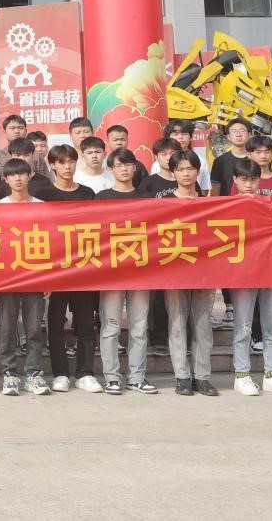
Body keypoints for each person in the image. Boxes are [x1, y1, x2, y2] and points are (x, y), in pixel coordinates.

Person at [229, 158, 272, 396]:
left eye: (253, 179)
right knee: (243, 326)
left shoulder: (270, 203)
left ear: (259, 180)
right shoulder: (224, 207)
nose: (249, 184)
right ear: (235, 180)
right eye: (244, 179)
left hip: (270, 269)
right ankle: (242, 375)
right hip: (242, 274)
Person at [37, 145, 100, 393]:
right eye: (61, 162)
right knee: (55, 323)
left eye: (71, 161)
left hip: (83, 267)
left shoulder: (87, 193)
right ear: (52, 165)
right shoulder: (44, 195)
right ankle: (60, 373)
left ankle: (85, 373)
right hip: (55, 268)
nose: (67, 166)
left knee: (85, 323)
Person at [95, 148, 157, 394]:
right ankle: (111, 377)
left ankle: (137, 377)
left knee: (139, 328)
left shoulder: (147, 198)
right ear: (111, 169)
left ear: (135, 167)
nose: (124, 169)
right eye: (119, 165)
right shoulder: (101, 198)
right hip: (111, 272)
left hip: (140, 271)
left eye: (128, 164)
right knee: (110, 327)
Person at [161, 149, 218, 396]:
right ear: (173, 173)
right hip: (174, 270)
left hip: (205, 271)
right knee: (177, 321)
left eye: (190, 169)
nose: (186, 173)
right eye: (180, 169)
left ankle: (202, 376)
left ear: (198, 171)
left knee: (203, 323)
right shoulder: (162, 203)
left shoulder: (210, 204)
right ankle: (182, 376)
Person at [0, 158, 50, 396]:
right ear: (6, 179)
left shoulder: (42, 207)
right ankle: (9, 374)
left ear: (30, 176)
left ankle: (33, 374)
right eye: (12, 175)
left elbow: (50, 243)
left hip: (34, 275)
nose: (18, 179)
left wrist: (48, 278)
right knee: (7, 328)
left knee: (34, 328)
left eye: (22, 174)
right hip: (7, 277)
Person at [210, 118, 253, 197]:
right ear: (228, 136)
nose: (238, 134)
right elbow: (215, 190)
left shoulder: (256, 160)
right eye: (234, 131)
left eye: (242, 131)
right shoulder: (220, 161)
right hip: (228, 203)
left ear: (250, 135)